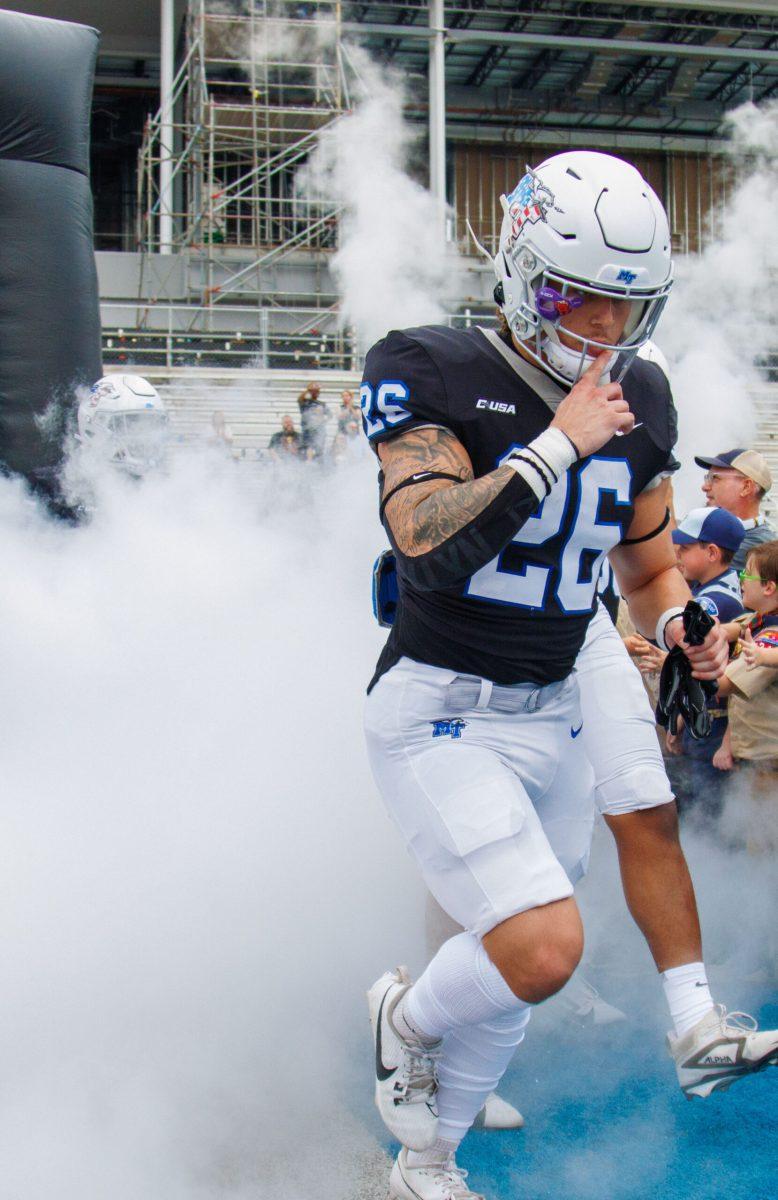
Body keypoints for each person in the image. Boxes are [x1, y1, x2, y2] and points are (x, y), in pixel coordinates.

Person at [360, 151, 777, 1200]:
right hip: (442, 705)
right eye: (573, 300)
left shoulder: (642, 388)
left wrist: (680, 621)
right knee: (544, 945)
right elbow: (423, 537)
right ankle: (400, 1019)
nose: (597, 330)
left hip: (551, 702)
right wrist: (553, 443)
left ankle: (427, 1162)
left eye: (620, 308)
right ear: (516, 266)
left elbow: (639, 564)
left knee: (511, 978)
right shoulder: (429, 364)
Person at [659, 508, 746, 826]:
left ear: (711, 552)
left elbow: (691, 660)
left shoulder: (714, 601)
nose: (677, 556)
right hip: (702, 717)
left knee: (708, 815)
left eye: (684, 549)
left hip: (712, 722)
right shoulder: (709, 591)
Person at [696, 448, 775, 571]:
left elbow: (687, 570)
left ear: (746, 487)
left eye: (715, 478)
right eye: (707, 478)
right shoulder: (718, 531)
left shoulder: (759, 545)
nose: (705, 487)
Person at [77, 374, 169, 477]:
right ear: (94, 425)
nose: (141, 436)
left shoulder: (162, 480)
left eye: (152, 423)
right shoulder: (77, 484)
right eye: (128, 423)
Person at [297, 381, 329, 459]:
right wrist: (309, 389)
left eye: (317, 391)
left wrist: (322, 419)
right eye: (313, 391)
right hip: (307, 431)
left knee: (318, 450)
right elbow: (300, 399)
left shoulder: (322, 404)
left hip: (319, 431)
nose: (315, 393)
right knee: (307, 449)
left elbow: (329, 415)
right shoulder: (305, 402)